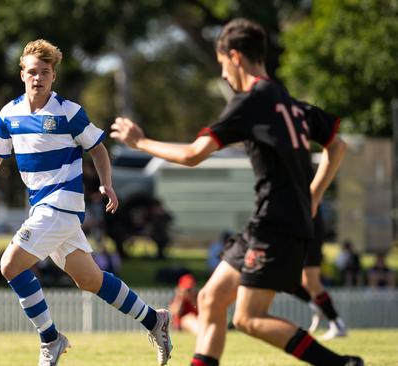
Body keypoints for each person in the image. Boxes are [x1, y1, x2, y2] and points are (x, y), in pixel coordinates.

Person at [111, 19, 363, 366]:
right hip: (267, 223)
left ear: (235, 57)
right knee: (212, 299)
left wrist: (140, 142)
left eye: (222, 65)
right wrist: (314, 195)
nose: (224, 75)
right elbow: (338, 145)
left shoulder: (251, 102)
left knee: (248, 318)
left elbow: (192, 154)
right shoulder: (289, 103)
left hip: (277, 226)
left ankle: (342, 365)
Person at [0, 39, 172, 366]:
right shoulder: (9, 113)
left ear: (53, 76)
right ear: (22, 74)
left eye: (45, 72)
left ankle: (50, 339)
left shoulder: (68, 112)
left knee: (9, 265)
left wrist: (106, 184)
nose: (38, 78)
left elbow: (99, 149)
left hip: (60, 206)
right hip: (43, 209)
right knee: (89, 280)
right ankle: (153, 319)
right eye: (32, 72)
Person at [293, 207, 347, 340]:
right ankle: (317, 306)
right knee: (284, 274)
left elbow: (316, 189)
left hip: (307, 221)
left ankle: (336, 323)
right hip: (293, 224)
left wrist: (310, 208)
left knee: (310, 279)